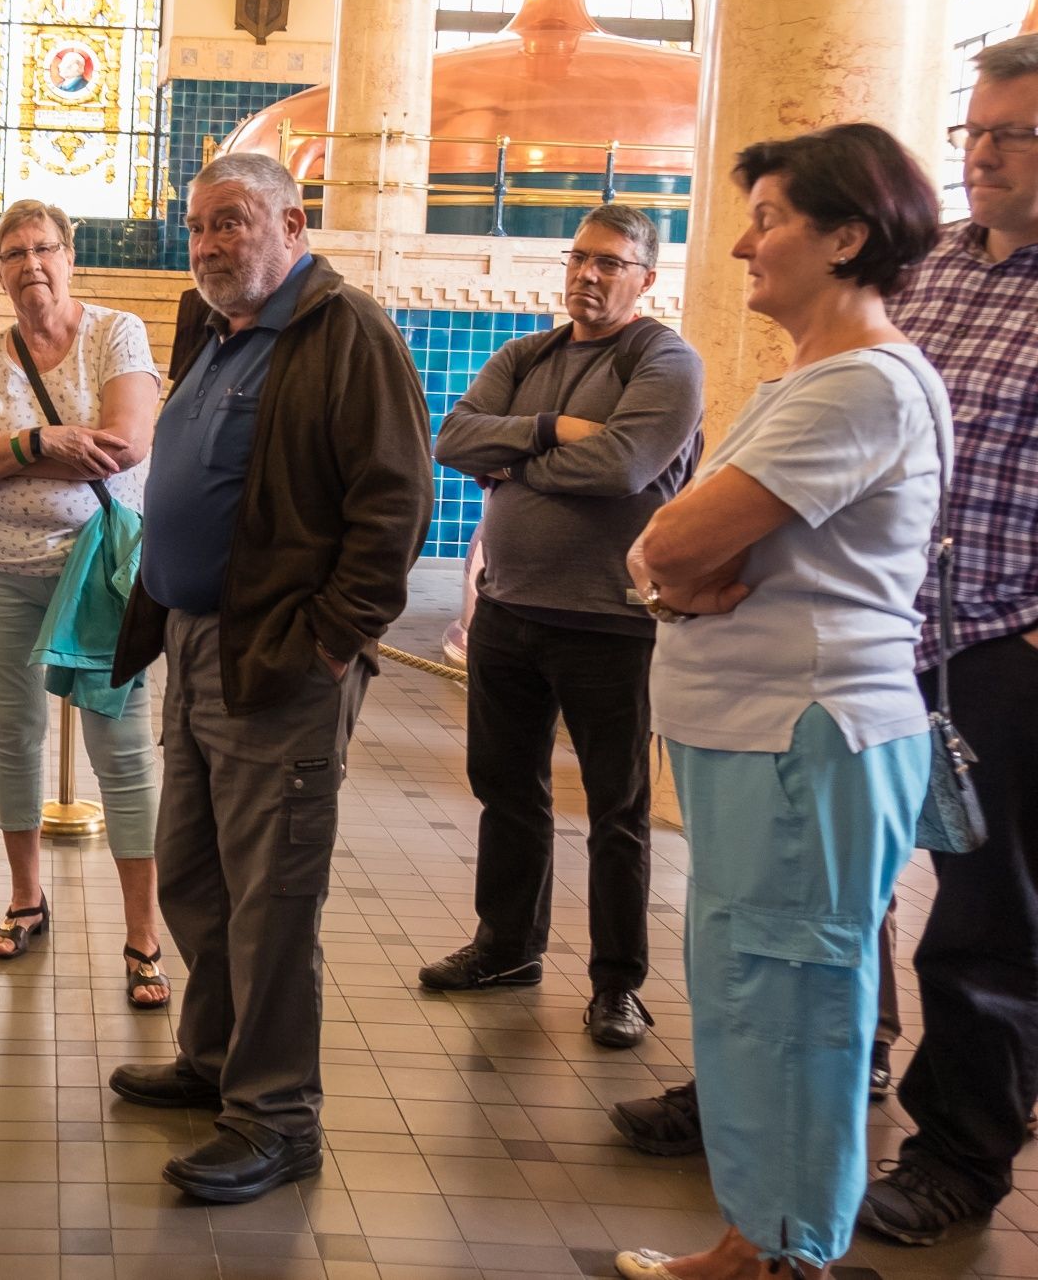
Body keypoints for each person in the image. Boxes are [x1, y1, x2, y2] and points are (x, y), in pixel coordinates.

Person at [612, 123, 947, 1280]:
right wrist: (661, 569)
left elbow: (672, 540)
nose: (741, 244)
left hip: (801, 740)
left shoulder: (858, 386)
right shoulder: (811, 381)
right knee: (748, 993)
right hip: (760, 737)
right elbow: (661, 552)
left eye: (768, 219)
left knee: (789, 1000)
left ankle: (786, 1253)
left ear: (845, 237)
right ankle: (754, 1239)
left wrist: (661, 566)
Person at [107, 152, 434, 1202]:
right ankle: (213, 1060)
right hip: (197, 645)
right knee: (193, 873)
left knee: (272, 900)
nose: (208, 245)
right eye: (198, 226)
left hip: (281, 658)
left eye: (231, 222)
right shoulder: (214, 324)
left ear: (292, 224)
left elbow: (395, 504)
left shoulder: (346, 333)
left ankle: (277, 1117)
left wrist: (330, 643)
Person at [424, 204, 703, 1048]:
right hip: (509, 612)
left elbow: (623, 465)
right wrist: (548, 429)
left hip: (610, 624)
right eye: (580, 258)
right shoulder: (527, 355)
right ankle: (507, 948)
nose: (589, 274)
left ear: (645, 278)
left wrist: (514, 465)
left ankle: (618, 985)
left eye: (610, 263)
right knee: (507, 791)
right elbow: (453, 439)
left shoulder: (664, 360)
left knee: (617, 810)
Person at [855, 33, 1038, 1245]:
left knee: (983, 921)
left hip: (1001, 649)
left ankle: (958, 1159)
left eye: (1010, 133)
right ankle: (787, 1088)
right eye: (971, 130)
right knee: (830, 880)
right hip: (878, 634)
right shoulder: (927, 273)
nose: (980, 154)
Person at [0, 198, 167, 1006]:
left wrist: (0, 456)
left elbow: (125, 443)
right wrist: (43, 441)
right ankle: (26, 899)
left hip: (97, 571)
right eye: (13, 253)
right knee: (14, 734)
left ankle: (143, 936)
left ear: (70, 256)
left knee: (121, 745)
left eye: (44, 248)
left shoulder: (116, 334)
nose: (30, 264)